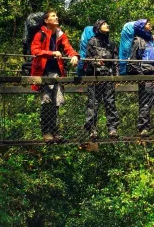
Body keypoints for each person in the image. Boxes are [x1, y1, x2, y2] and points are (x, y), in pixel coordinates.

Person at [30, 10, 79, 142]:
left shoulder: (60, 34)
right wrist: (52, 53)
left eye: (56, 16)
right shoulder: (40, 34)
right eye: (53, 16)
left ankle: (55, 131)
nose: (56, 17)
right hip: (43, 73)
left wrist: (74, 55)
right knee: (47, 101)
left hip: (57, 72)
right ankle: (46, 132)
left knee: (57, 102)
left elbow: (67, 47)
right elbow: (35, 51)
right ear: (46, 20)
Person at [83, 20, 121, 139]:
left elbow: (116, 61)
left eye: (107, 24)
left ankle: (112, 129)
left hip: (108, 76)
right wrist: (96, 62)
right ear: (98, 27)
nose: (107, 25)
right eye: (104, 24)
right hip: (95, 76)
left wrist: (117, 77)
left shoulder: (112, 43)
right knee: (93, 103)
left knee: (110, 103)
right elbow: (88, 59)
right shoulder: (92, 41)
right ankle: (92, 130)